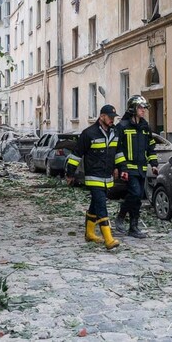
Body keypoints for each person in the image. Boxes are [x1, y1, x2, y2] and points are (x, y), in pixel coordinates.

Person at [66, 105, 122, 250]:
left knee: (95, 204)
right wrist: (70, 173)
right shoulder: (88, 133)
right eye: (110, 117)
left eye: (113, 117)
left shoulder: (114, 132)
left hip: (107, 176)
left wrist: (118, 168)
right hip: (93, 176)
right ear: (102, 116)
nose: (112, 120)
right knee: (101, 205)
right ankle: (108, 239)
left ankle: (89, 233)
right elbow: (76, 155)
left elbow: (117, 153)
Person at [114, 95, 159, 238]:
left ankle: (134, 227)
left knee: (138, 197)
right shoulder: (122, 126)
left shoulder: (145, 127)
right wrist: (122, 168)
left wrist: (154, 164)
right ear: (133, 108)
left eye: (144, 108)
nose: (143, 110)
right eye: (141, 107)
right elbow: (117, 149)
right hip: (129, 168)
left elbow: (150, 147)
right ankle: (121, 216)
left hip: (142, 169)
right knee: (134, 193)